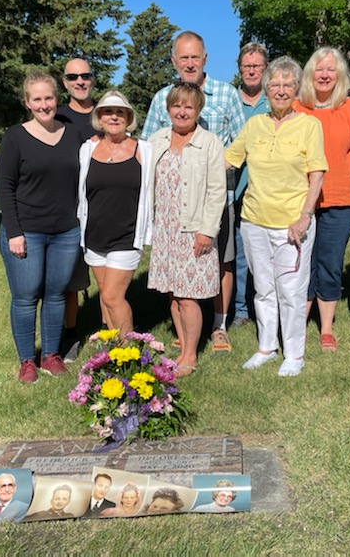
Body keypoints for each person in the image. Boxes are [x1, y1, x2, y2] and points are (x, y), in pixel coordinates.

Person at [142, 30, 246, 355]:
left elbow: (241, 144)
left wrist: (216, 168)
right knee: (177, 281)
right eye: (183, 57)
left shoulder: (226, 94)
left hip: (217, 199)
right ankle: (186, 333)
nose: (189, 63)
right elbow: (145, 149)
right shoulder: (162, 98)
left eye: (194, 57)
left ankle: (218, 326)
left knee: (221, 263)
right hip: (171, 214)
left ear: (205, 59)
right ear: (174, 60)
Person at [225, 56, 327, 377]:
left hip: (292, 224)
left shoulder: (309, 125)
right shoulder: (254, 125)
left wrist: (305, 216)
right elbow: (228, 160)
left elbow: (317, 174)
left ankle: (294, 354)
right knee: (263, 289)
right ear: (266, 88)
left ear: (297, 89)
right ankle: (266, 348)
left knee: (292, 291)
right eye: (275, 84)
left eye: (287, 85)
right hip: (254, 220)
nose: (281, 90)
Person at [0, 70, 83, 384]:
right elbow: (4, 186)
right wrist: (14, 232)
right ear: (27, 102)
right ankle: (26, 360)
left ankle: (50, 355)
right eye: (37, 99)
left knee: (56, 294)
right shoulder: (15, 137)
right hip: (26, 230)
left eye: (48, 98)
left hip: (66, 231)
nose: (44, 104)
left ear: (57, 99)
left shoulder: (73, 135)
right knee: (25, 297)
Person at [147, 82, 226, 376]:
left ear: (198, 110)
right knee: (173, 293)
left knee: (188, 296)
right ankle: (182, 346)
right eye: (176, 105)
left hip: (193, 229)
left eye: (188, 107)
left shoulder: (210, 143)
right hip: (164, 229)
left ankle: (191, 355)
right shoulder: (156, 140)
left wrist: (207, 231)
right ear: (168, 108)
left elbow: (217, 191)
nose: (182, 112)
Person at [294, 47, 350, 352]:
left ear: (339, 75)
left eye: (330, 69)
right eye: (319, 69)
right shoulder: (297, 108)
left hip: (342, 197)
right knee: (302, 262)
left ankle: (326, 329)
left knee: (329, 261)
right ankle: (298, 325)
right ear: (310, 74)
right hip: (302, 200)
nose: (324, 75)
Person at [78, 91, 152, 339]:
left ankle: (129, 352)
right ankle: (113, 351)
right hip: (94, 235)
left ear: (128, 118)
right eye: (108, 112)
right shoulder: (87, 149)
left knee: (112, 296)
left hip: (127, 236)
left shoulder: (144, 149)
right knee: (105, 296)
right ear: (99, 117)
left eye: (120, 112)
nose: (114, 117)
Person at [56, 58, 97, 361]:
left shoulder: (106, 113)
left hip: (104, 208)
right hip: (68, 210)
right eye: (73, 77)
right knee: (69, 280)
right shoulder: (56, 117)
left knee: (109, 278)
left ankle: (111, 331)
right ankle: (70, 334)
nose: (79, 81)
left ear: (93, 78)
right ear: (65, 82)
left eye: (84, 75)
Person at [233, 42, 271, 329]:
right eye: (247, 66)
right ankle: (240, 309)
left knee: (266, 253)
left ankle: (267, 305)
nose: (251, 71)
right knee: (239, 253)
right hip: (236, 188)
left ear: (265, 68)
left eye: (256, 65)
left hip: (268, 189)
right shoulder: (231, 100)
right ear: (239, 69)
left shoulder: (276, 100)